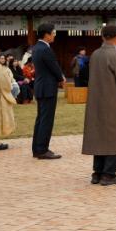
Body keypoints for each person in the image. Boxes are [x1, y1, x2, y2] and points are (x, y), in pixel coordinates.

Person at [82, 25, 116, 186]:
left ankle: (97, 173)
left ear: (102, 37)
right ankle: (109, 174)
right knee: (115, 137)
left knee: (99, 136)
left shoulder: (95, 54)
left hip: (96, 101)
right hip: (114, 100)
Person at [31, 23, 65, 160]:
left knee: (40, 119)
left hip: (41, 86)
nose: (54, 35)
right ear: (46, 34)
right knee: (46, 120)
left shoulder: (36, 47)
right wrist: (61, 78)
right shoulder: (45, 49)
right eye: (53, 33)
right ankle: (42, 150)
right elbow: (54, 67)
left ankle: (37, 148)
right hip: (48, 88)